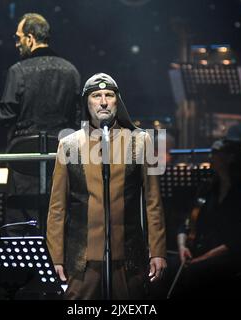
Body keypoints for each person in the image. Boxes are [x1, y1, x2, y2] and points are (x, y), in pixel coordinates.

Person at [46, 73, 167, 300]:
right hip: (82, 258)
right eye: (96, 95)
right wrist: (56, 257)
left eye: (109, 95)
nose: (103, 101)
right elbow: (57, 208)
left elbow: (153, 200)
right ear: (86, 102)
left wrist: (158, 251)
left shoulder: (141, 141)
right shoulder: (68, 144)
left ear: (117, 101)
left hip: (128, 256)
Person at [0, 13, 81, 233]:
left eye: (18, 38)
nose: (17, 44)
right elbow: (77, 118)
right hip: (60, 159)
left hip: (24, 161)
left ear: (30, 37)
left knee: (21, 227)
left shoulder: (18, 71)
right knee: (60, 223)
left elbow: (5, 115)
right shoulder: (71, 71)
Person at [175, 139, 241, 298]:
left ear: (230, 157)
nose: (210, 156)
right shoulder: (207, 188)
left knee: (195, 275)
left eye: (215, 153)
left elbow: (239, 240)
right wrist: (182, 246)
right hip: (200, 252)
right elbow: (187, 223)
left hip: (229, 257)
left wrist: (202, 260)